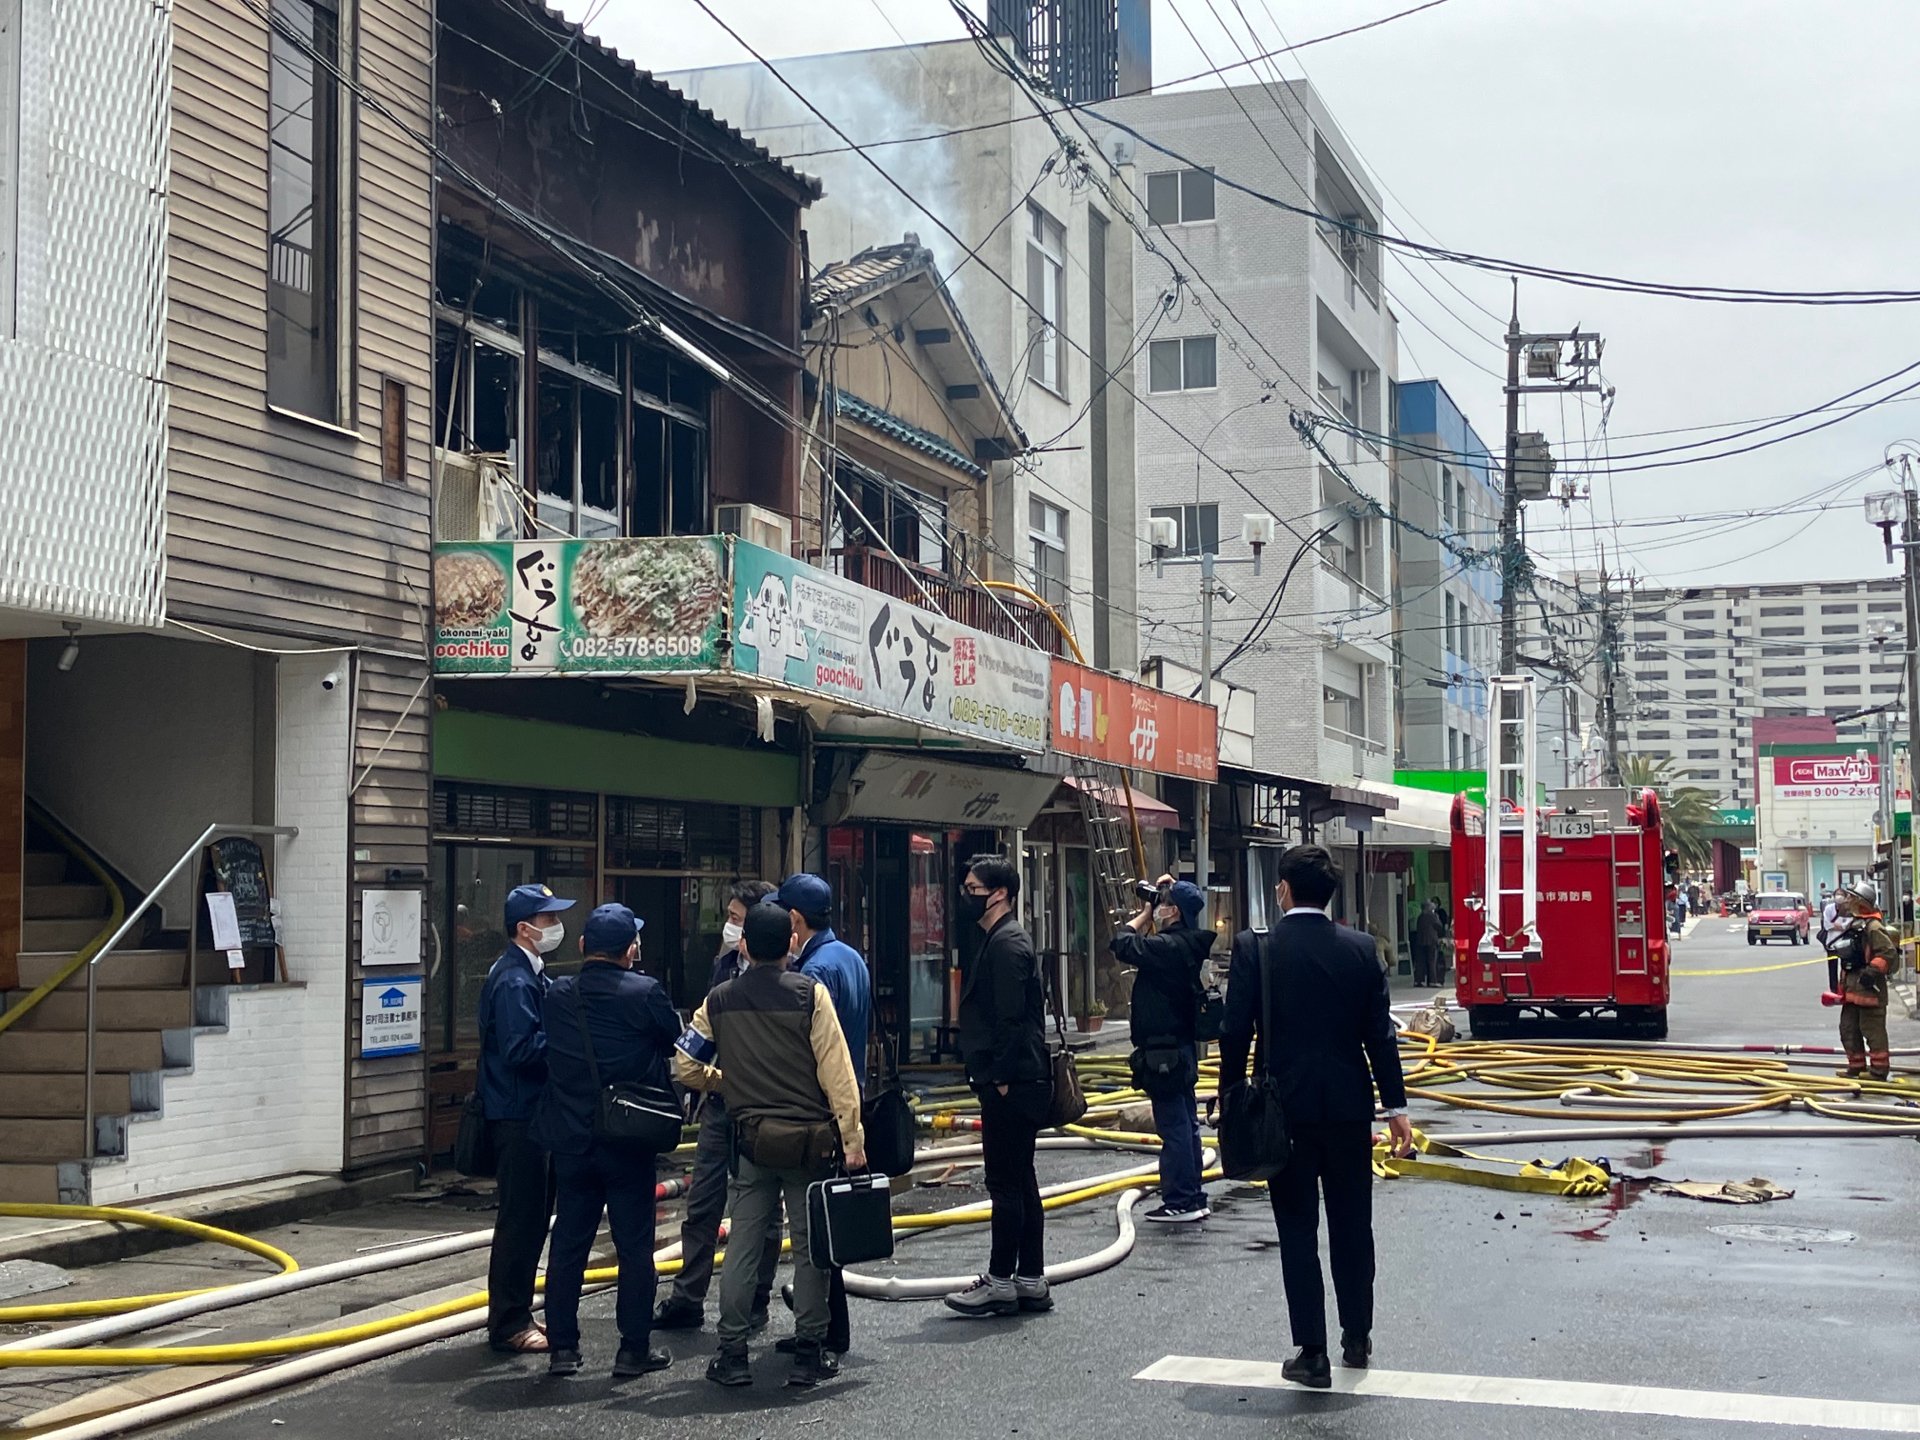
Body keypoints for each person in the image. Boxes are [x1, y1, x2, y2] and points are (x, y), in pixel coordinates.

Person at [1219, 844, 1414, 1390]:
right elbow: (1381, 1036)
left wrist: (1231, 1096)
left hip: (1284, 1113)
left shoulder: (1256, 949)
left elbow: (1234, 1032)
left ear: (1282, 889)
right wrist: (1396, 1108)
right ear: (1329, 894)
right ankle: (1358, 1336)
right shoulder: (1360, 950)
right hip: (1350, 1110)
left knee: (1297, 1229)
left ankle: (1312, 1352)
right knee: (1354, 1226)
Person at [675, 902, 867, 1390]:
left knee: (741, 1245)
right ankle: (809, 1351)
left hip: (751, 1142)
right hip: (810, 1144)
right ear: (791, 944)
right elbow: (838, 1074)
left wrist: (726, 1082)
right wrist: (853, 1140)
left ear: (743, 945)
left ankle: (733, 1352)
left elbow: (684, 1066)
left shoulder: (718, 1000)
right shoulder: (810, 996)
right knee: (809, 1251)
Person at [534, 904, 682, 1379]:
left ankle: (563, 1350)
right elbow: (671, 1040)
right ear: (631, 950)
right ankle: (632, 1349)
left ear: (581, 946)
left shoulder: (558, 995)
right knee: (634, 1245)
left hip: (571, 1139)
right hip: (627, 1138)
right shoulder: (646, 992)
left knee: (568, 1245)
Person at [654, 880, 784, 1334]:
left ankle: (755, 1302)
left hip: (767, 1110)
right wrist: (714, 1083)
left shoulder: (792, 976)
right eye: (728, 916)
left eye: (736, 918)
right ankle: (688, 1296)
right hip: (719, 1104)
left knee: (763, 1208)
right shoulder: (723, 968)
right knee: (704, 1202)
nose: (729, 926)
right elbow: (696, 1047)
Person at [945, 855, 1054, 1318]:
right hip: (1019, 1078)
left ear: (999, 893)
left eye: (973, 888)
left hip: (1013, 1080)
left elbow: (1010, 1019)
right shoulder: (1001, 939)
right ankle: (1029, 1279)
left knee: (1005, 1183)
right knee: (1021, 1180)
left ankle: (1001, 1280)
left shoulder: (1007, 944)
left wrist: (1002, 1079)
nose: (965, 895)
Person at [777, 873, 873, 1355]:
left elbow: (815, 1053)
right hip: (851, 1098)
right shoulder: (852, 958)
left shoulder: (813, 974)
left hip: (821, 1108)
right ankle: (832, 1328)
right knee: (829, 1219)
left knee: (817, 1227)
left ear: (794, 920)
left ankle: (825, 1332)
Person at [477, 883, 573, 1355]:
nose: (554, 927)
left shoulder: (528, 972)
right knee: (521, 1219)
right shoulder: (515, 979)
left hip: (528, 1112)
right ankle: (509, 1321)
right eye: (549, 919)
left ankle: (516, 1312)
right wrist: (567, 1043)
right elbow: (520, 1049)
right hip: (519, 1115)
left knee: (532, 1218)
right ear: (525, 928)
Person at [1111, 876, 1213, 1223]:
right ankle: (1192, 1194)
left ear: (1173, 911)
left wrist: (1143, 914)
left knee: (1174, 1127)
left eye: (1165, 903)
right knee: (1185, 1123)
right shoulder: (1185, 944)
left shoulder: (1169, 947)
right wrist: (1167, 887)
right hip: (1177, 1047)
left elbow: (1122, 943)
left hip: (1164, 1052)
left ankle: (1181, 1200)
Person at [1829, 880, 1897, 1080]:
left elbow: (1888, 953)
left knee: (1872, 1030)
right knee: (1848, 1029)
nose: (1846, 900)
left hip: (1869, 989)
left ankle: (1878, 1071)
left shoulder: (1873, 926)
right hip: (1852, 989)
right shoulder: (1855, 923)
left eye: (1850, 897)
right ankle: (1856, 1067)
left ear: (1861, 901)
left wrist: (1872, 971)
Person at [1413, 899, 1442, 988]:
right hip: (1431, 941)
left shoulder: (1420, 917)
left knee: (1421, 961)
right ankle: (1432, 981)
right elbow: (1439, 926)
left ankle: (1419, 980)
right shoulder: (1433, 916)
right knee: (1432, 961)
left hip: (1420, 941)